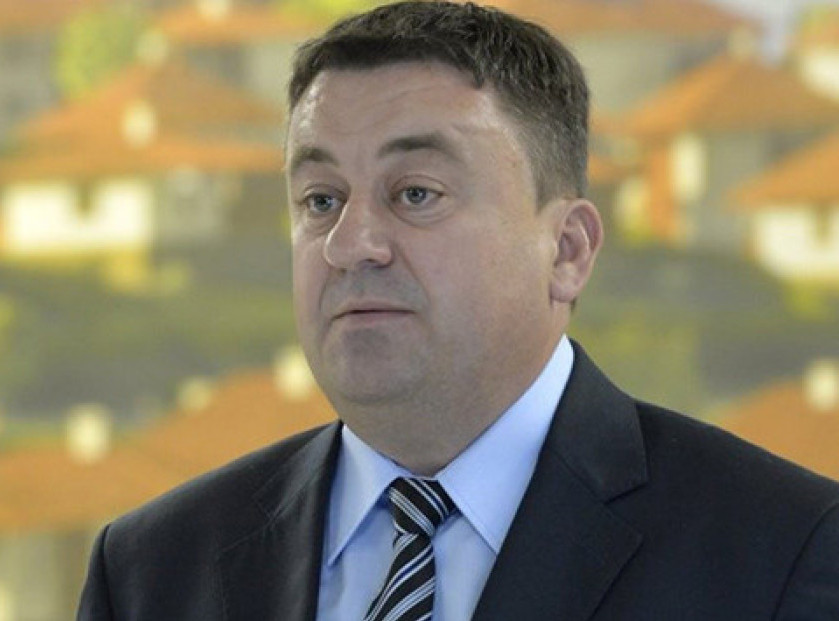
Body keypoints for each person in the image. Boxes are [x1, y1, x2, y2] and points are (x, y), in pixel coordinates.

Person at [77, 2, 839, 619]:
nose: (350, 243)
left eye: (415, 193)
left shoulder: (781, 549)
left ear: (567, 250)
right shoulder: (149, 571)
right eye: (320, 200)